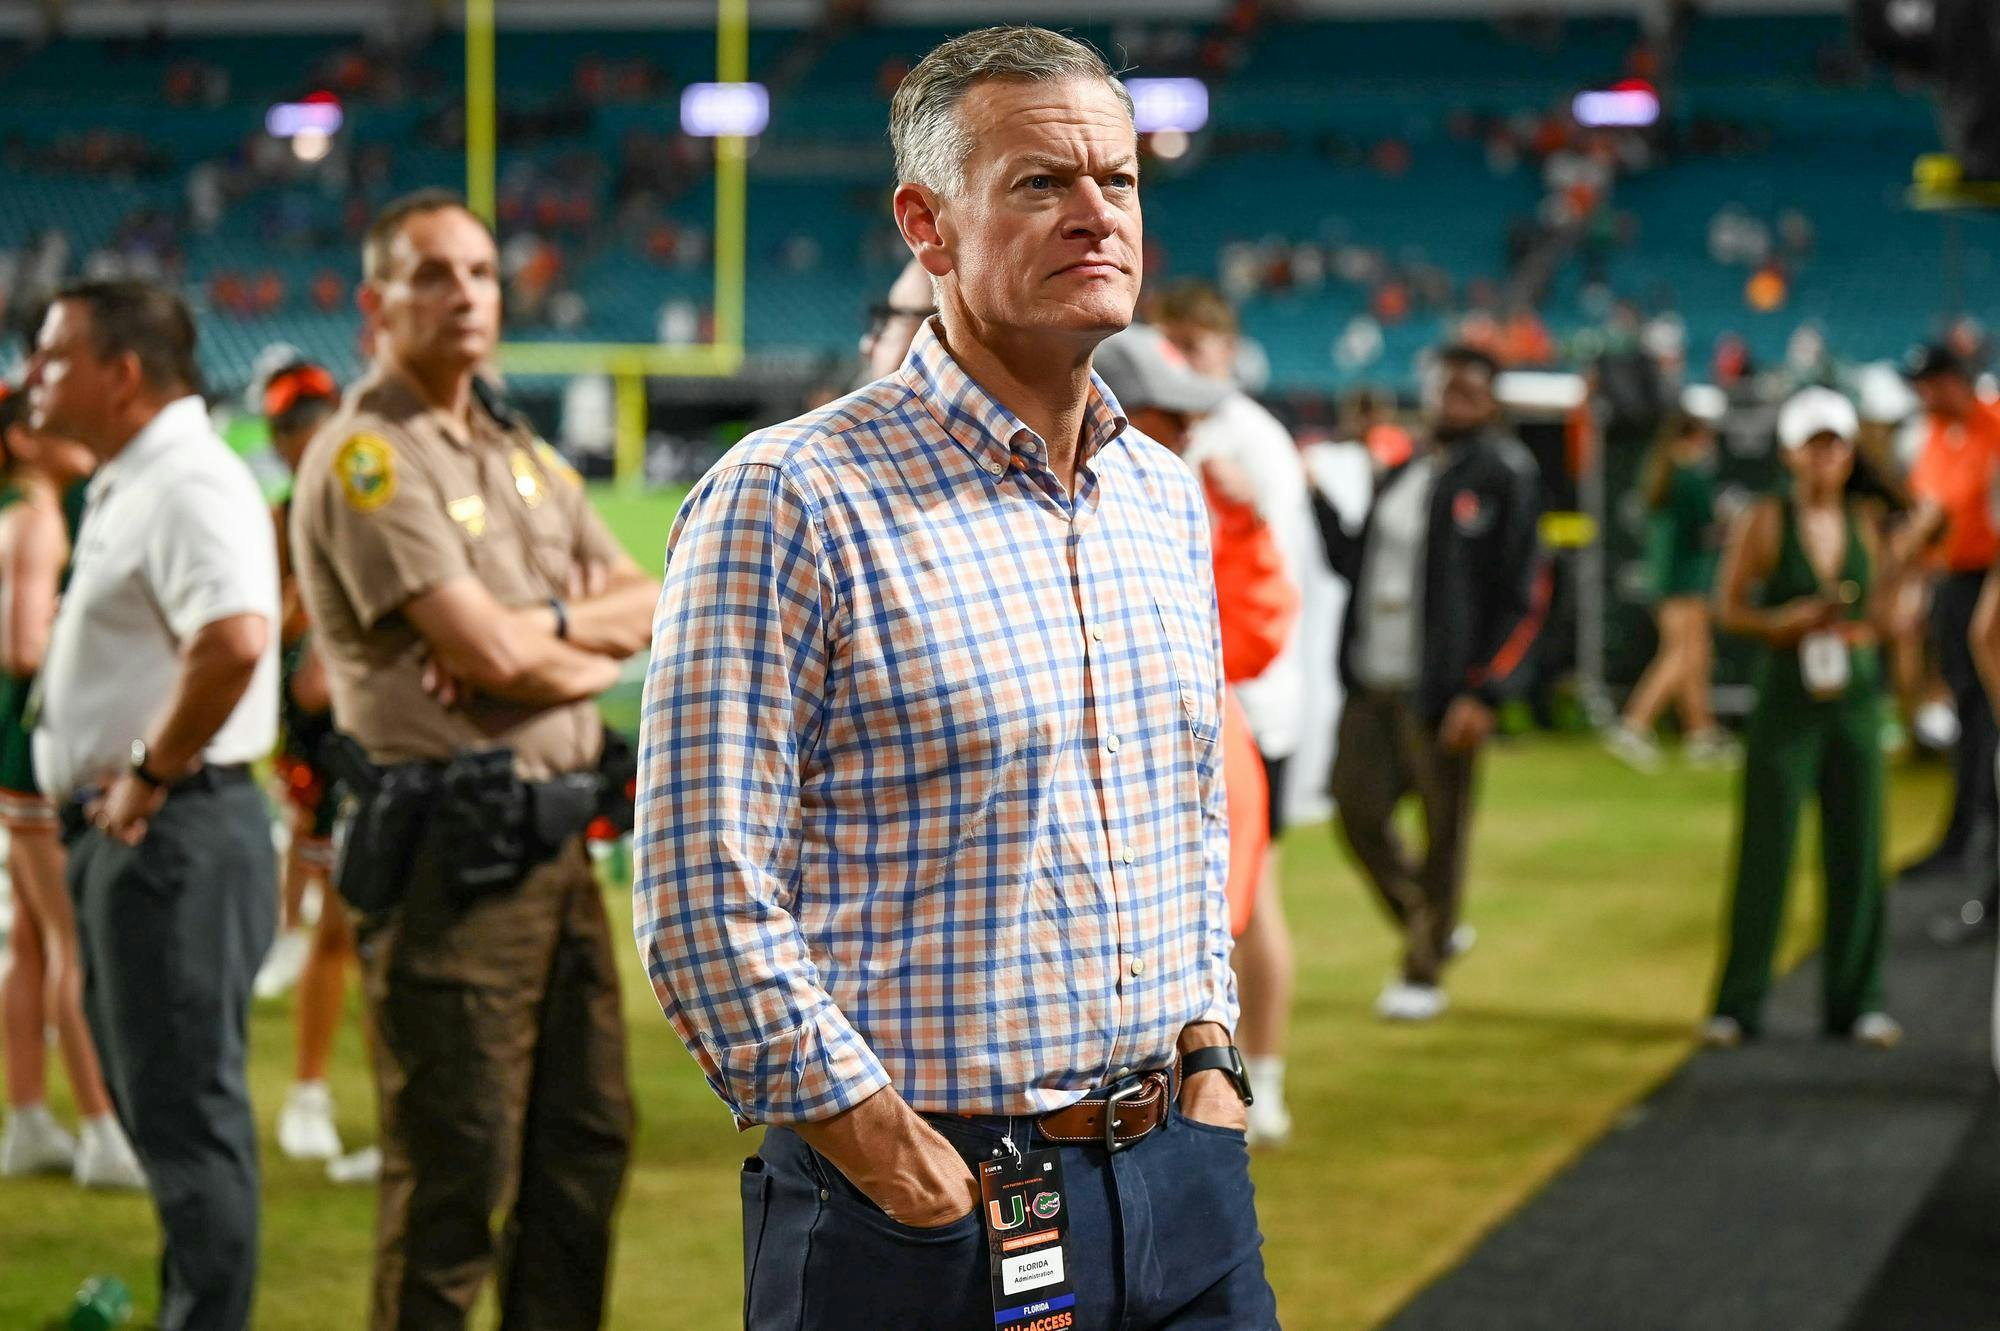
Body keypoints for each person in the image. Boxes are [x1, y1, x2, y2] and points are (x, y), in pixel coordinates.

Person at [637, 28, 1275, 1331]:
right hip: (932, 1197)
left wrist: (1211, 1052)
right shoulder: (792, 494)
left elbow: (1187, 814)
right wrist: (889, 1155)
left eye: (1120, 179)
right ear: (928, 226)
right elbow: (704, 888)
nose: (1097, 212)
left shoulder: (1160, 494)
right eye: (1042, 182)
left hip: (1180, 1169)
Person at [291, 189, 654, 1331]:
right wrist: (550, 633)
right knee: (456, 1183)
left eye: (482, 272)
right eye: (433, 273)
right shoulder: (366, 455)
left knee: (582, 1158)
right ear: (375, 303)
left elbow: (648, 596)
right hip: (452, 870)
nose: (465, 293)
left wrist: (536, 634)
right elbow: (485, 649)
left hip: (559, 862)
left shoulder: (517, 448)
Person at [26, 278, 281, 1331]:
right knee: (165, 1109)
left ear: (120, 373)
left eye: (52, 355)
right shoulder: (143, 472)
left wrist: (149, 771)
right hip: (149, 826)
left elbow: (234, 635)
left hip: (171, 826)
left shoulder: (183, 479)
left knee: (185, 1118)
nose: (33, 374)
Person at [1310, 345, 1548, 1023]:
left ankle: (1422, 969)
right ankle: (1432, 921)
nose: (1454, 397)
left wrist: (1487, 690)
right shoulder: (1409, 466)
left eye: (1472, 389)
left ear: (1495, 400)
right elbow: (1357, 561)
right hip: (1373, 674)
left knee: (1443, 831)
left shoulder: (1505, 472)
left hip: (1443, 686)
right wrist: (1315, 500)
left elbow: (1527, 592)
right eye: (1447, 384)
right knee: (1356, 814)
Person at [1157, 280, 1315, 1147]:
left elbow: (1268, 604)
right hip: (1205, 699)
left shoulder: (1249, 441)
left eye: (1195, 341)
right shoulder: (1190, 431)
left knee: (1247, 903)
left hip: (1240, 703)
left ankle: (1264, 1074)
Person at [1703, 388, 1903, 1049]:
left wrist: (1869, 631)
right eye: (1815, 445)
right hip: (1787, 695)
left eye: (1836, 445)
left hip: (1852, 696)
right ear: (1791, 453)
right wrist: (1777, 624)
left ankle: (1857, 1000)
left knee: (1859, 847)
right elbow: (1728, 608)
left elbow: (1887, 615)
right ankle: (1739, 1001)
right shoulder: (1765, 520)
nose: (1826, 459)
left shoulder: (1867, 521)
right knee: (1766, 849)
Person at [0, 386, 144, 1191]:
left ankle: (26, 1119)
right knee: (72, 942)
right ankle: (102, 1132)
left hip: (7, 755)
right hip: (32, 751)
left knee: (28, 939)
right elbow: (23, 646)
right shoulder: (40, 514)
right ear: (24, 437)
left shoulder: (13, 506)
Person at [253, 357, 381, 1182]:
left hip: (373, 740)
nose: (305, 441)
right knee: (344, 928)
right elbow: (276, 637)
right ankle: (307, 1094)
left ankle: (386, 1113)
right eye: (293, 431)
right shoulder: (280, 519)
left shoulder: (361, 505)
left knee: (374, 937)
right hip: (326, 744)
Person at [1897, 344, 2000, 939]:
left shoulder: (1993, 426)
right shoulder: (1935, 436)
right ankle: (1965, 841)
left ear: (1956, 381)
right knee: (1972, 717)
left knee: (1989, 722)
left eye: (1930, 383)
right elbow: (1930, 513)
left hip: (1991, 580)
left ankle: (1985, 864)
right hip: (1955, 581)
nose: (1923, 396)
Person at [1606, 411, 1735, 771]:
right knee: (1680, 656)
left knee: (1696, 655)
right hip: (1686, 580)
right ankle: (1634, 723)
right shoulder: (1690, 476)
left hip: (1667, 578)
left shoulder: (1661, 471)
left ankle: (1701, 733)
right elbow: (1707, 529)